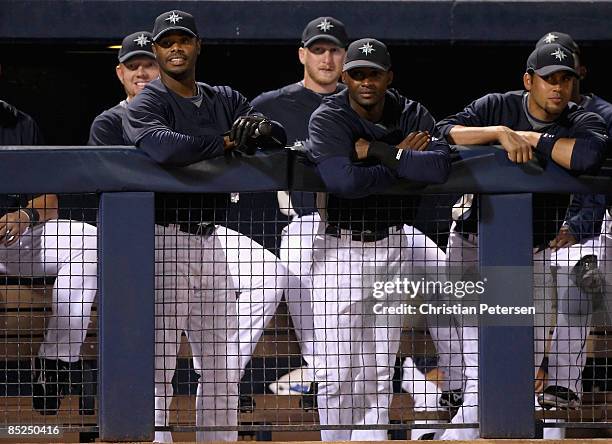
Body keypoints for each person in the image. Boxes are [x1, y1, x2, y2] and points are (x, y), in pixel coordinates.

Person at [121, 10, 287, 443]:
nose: (176, 47)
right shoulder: (148, 102)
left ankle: (219, 440)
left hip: (210, 238)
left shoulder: (223, 97)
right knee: (159, 362)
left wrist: (262, 129)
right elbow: (162, 146)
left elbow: (272, 133)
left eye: (184, 39)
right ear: (156, 52)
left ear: (198, 46)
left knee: (222, 360)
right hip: (164, 237)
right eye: (167, 41)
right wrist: (229, 142)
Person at [433, 42, 608, 440]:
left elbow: (589, 157)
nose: (558, 88)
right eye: (549, 79)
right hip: (472, 248)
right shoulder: (497, 106)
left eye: (566, 79)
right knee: (485, 369)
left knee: (515, 370)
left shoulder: (581, 120)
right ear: (529, 80)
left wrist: (533, 139)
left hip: (531, 256)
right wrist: (498, 133)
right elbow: (442, 132)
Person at [306, 38, 451, 441]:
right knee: (336, 371)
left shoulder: (411, 111)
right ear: (345, 77)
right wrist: (402, 162)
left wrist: (375, 150)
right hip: (341, 250)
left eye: (374, 73)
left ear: (389, 76)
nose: (365, 82)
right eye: (357, 74)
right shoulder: (329, 117)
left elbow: (438, 168)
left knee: (378, 370)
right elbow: (344, 182)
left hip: (393, 246)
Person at [238, 15, 349, 403]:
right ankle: (318, 368)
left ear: (346, 56)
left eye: (335, 50)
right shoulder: (271, 105)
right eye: (318, 50)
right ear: (303, 54)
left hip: (362, 226)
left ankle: (454, 381)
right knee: (299, 252)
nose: (327, 58)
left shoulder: (365, 102)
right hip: (301, 224)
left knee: (442, 272)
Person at [0, 99, 97, 414]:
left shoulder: (19, 123)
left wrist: (25, 215)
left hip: (11, 238)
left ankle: (55, 364)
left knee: (88, 240)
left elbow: (49, 200)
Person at [533, 31, 612, 414]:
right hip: (539, 228)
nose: (559, 82)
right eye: (551, 73)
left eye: (567, 70)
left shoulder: (603, 115)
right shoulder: (523, 112)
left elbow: (601, 182)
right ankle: (467, 388)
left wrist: (578, 227)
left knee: (579, 272)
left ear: (579, 70)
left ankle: (563, 385)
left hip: (590, 230)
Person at [88, 31, 159, 145]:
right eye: (132, 66)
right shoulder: (108, 124)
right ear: (120, 73)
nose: (140, 73)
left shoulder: (183, 117)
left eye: (150, 65)